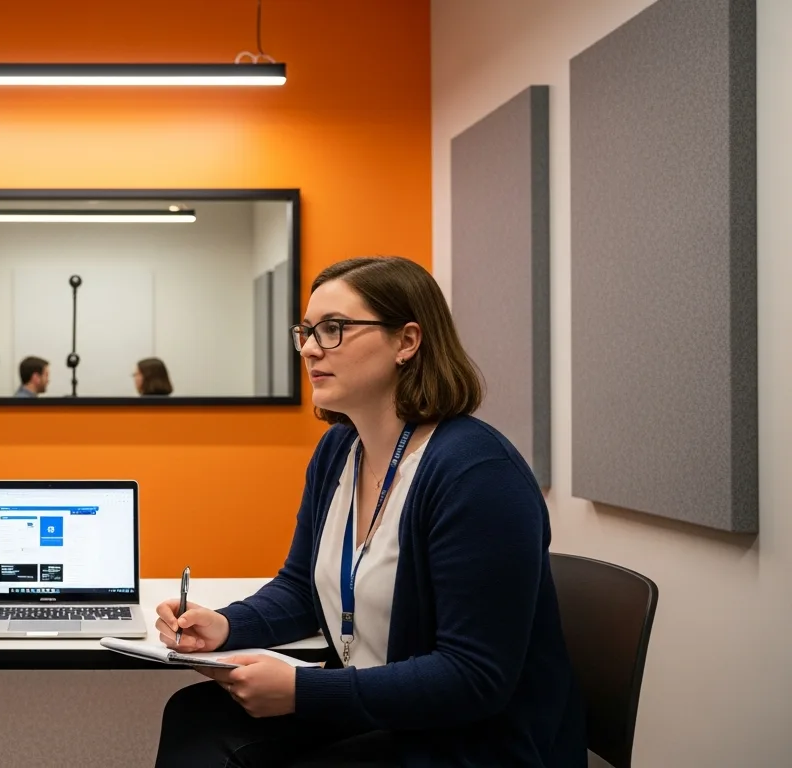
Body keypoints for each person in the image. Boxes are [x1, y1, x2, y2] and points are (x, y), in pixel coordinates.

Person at [153, 256, 584, 767]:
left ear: (407, 341)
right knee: (194, 716)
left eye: (334, 329)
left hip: (471, 739)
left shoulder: (476, 473)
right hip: (385, 707)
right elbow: (300, 589)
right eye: (307, 331)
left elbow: (474, 676)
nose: (311, 348)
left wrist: (304, 691)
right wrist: (227, 624)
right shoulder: (339, 450)